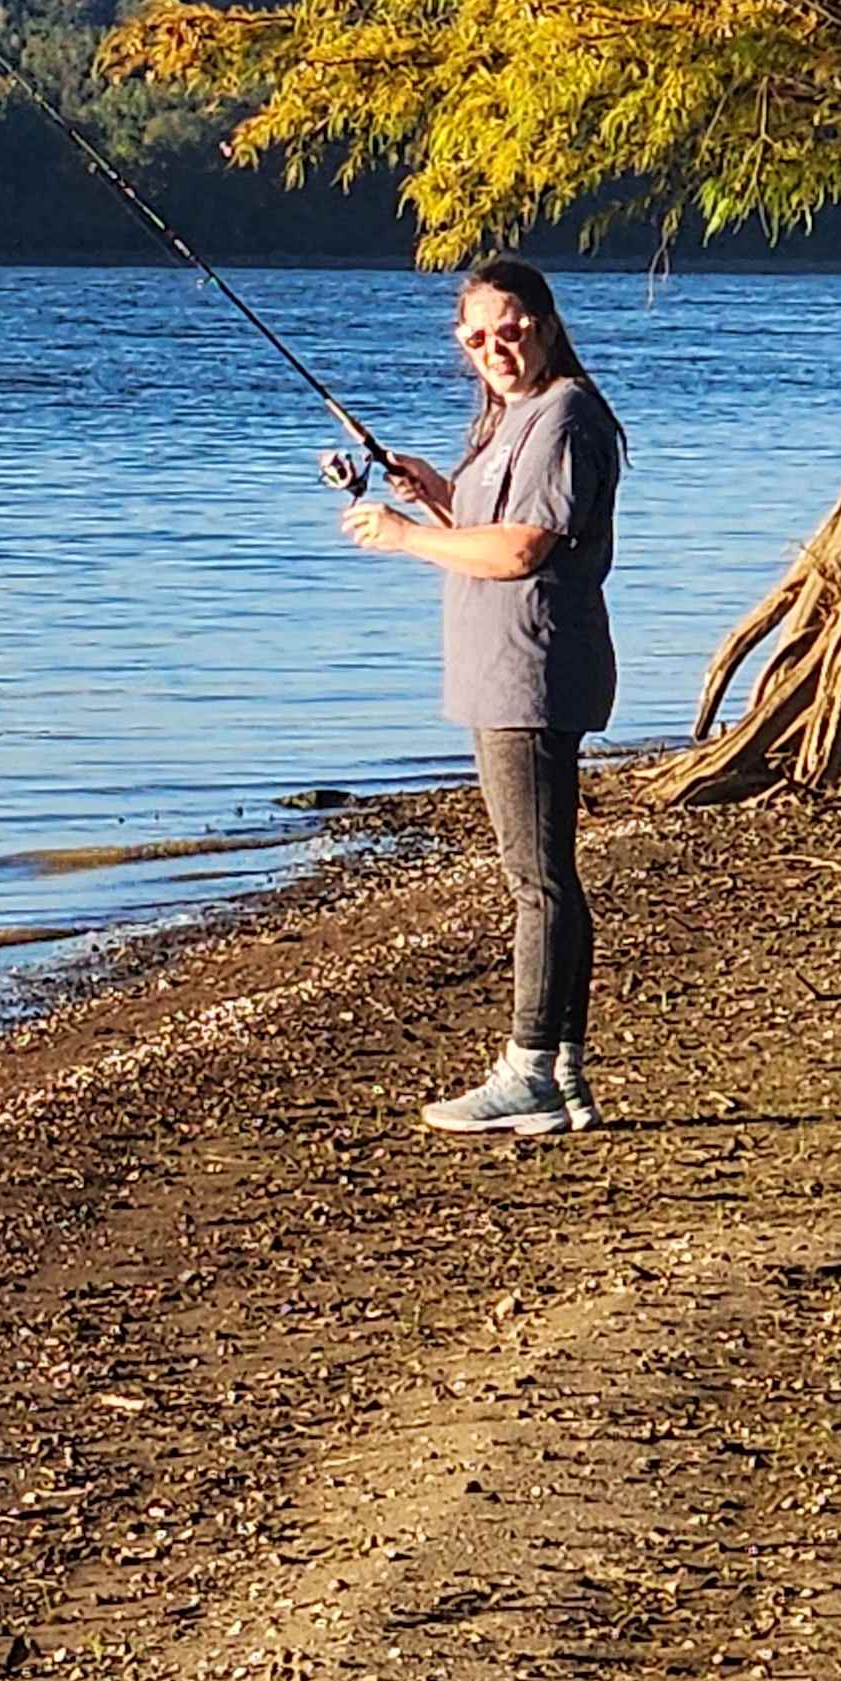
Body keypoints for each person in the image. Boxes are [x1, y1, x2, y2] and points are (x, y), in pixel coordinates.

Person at [337, 258, 624, 1136]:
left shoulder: (566, 413)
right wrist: (440, 495)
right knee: (546, 879)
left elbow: (520, 552)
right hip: (507, 672)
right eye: (476, 337)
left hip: (529, 674)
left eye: (509, 328)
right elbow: (495, 525)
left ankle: (529, 1071)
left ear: (541, 321)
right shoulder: (519, 418)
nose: (495, 348)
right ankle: (562, 1079)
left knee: (536, 883)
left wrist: (404, 538)